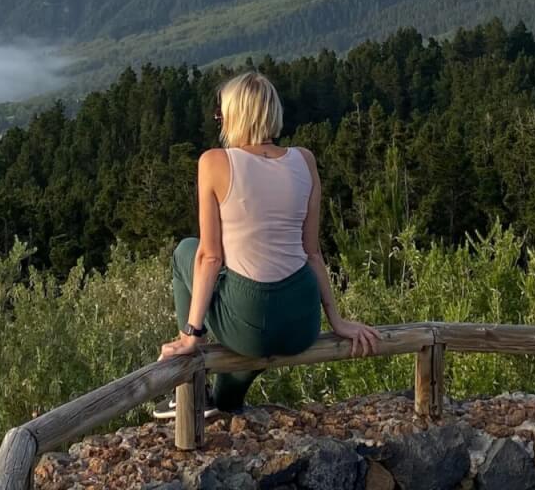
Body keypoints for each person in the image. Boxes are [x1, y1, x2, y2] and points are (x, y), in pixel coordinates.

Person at [157, 70, 379, 416]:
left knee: (186, 250)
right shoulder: (305, 160)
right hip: (301, 323)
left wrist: (191, 333)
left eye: (221, 114)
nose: (219, 120)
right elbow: (312, 253)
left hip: (251, 320)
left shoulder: (214, 162)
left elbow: (209, 257)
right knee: (254, 323)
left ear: (235, 115)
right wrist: (337, 321)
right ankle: (224, 402)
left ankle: (192, 385)